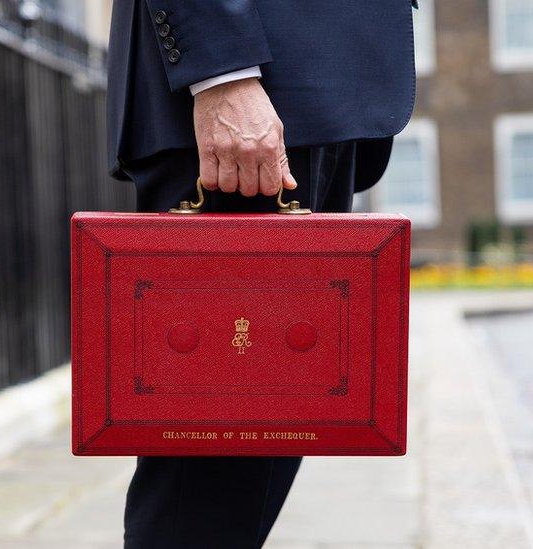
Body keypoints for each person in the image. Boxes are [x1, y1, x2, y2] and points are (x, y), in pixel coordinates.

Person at [106, 1, 416, 546]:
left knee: (245, 481)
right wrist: (220, 72)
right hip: (252, 100)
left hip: (309, 98)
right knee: (203, 503)